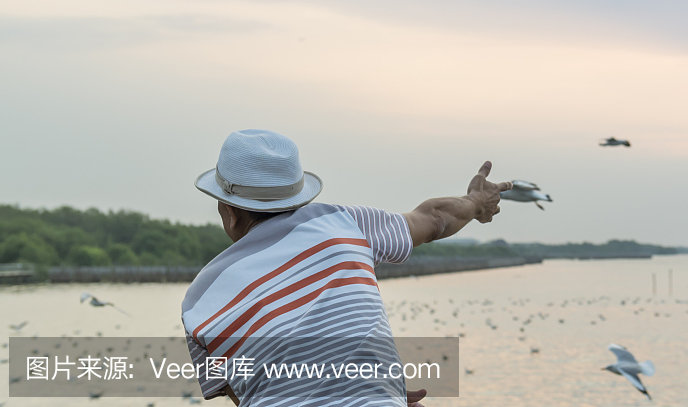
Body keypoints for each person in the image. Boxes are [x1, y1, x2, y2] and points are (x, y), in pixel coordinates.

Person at [181, 129, 510, 406]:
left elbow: (252, 396)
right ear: (298, 196)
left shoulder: (197, 302)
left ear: (230, 212)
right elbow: (435, 218)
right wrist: (477, 202)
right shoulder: (343, 223)